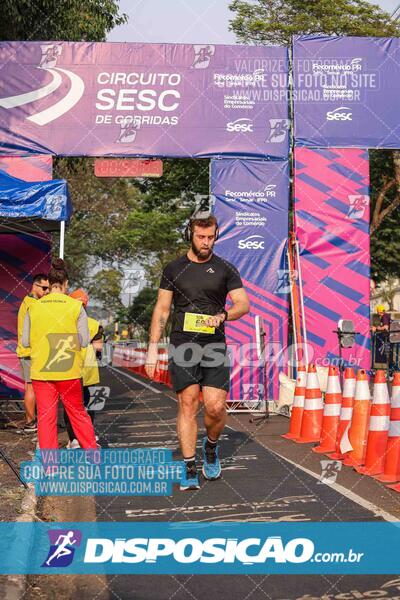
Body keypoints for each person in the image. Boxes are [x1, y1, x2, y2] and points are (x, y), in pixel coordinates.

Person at [145, 212, 250, 491]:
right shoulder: (173, 269)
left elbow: (243, 304)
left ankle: (211, 447)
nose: (206, 242)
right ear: (190, 235)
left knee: (215, 407)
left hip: (214, 345)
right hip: (183, 344)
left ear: (216, 235)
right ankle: (189, 466)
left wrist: (225, 315)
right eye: (200, 237)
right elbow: (162, 309)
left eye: (210, 237)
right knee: (188, 403)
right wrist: (153, 348)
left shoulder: (226, 269)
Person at [21, 259, 97, 450]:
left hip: (41, 372)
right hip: (68, 371)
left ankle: (51, 468)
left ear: (50, 283)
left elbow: (25, 342)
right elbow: (84, 341)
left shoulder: (33, 307)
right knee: (79, 415)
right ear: (66, 284)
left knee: (46, 420)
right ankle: (94, 460)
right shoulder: (75, 306)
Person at [64, 289, 103, 449]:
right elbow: (98, 349)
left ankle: (73, 439)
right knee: (89, 405)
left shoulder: (64, 321)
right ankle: (89, 436)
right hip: (90, 372)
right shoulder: (94, 324)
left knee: (71, 406)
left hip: (69, 370)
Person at [16, 273, 49, 432]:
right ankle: (30, 422)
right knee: (31, 388)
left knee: (31, 387)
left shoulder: (29, 302)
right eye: (44, 288)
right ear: (34, 286)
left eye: (48, 288)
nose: (47, 291)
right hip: (29, 352)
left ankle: (31, 420)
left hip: (29, 351)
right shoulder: (32, 304)